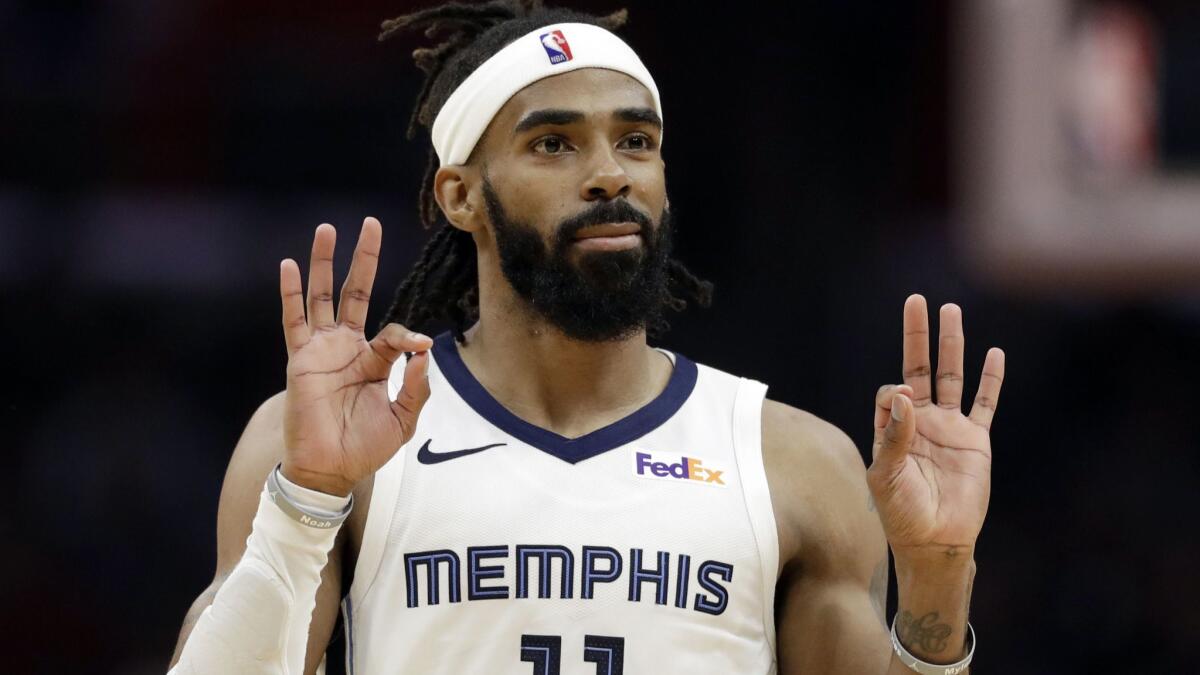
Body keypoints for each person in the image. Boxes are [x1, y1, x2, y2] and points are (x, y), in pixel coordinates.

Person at [168, 2, 1005, 673]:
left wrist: (937, 577)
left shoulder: (795, 464)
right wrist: (309, 495)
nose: (609, 172)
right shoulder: (338, 443)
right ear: (460, 196)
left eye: (636, 141)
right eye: (555, 143)